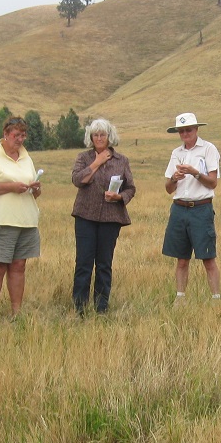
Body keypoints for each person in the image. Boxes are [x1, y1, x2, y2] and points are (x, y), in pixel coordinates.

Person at [0, 116, 42, 314]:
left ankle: (16, 312)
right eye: (16, 135)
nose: (20, 139)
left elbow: (34, 193)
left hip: (26, 220)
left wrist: (35, 188)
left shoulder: (26, 157)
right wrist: (11, 187)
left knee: (19, 266)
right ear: (5, 134)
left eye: (23, 135)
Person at [70, 118, 136, 314]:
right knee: (83, 263)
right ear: (90, 137)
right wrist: (96, 163)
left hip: (110, 218)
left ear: (109, 137)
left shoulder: (121, 161)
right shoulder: (83, 157)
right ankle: (80, 308)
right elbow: (77, 180)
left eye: (102, 134)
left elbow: (130, 188)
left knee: (104, 264)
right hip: (85, 216)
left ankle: (101, 307)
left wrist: (119, 197)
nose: (99, 138)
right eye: (95, 135)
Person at [162, 112, 221, 303]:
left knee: (208, 257)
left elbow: (212, 183)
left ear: (196, 130)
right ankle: (180, 298)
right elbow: (169, 188)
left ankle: (215, 298)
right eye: (182, 131)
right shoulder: (176, 153)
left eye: (188, 130)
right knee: (181, 258)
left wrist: (195, 173)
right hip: (179, 208)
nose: (185, 134)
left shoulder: (208, 149)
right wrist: (174, 178)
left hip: (201, 208)